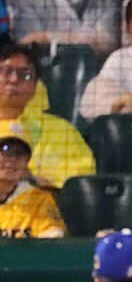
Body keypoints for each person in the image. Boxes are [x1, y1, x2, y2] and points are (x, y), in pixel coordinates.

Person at [0, 43, 95, 189]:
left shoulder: (62, 132)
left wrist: (32, 182)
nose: (13, 80)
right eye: (5, 72)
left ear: (36, 86)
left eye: (25, 75)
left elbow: (79, 189)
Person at [0, 120, 65, 238]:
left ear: (27, 162)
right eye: (6, 150)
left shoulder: (39, 199)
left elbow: (52, 239)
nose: (13, 159)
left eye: (20, 153)